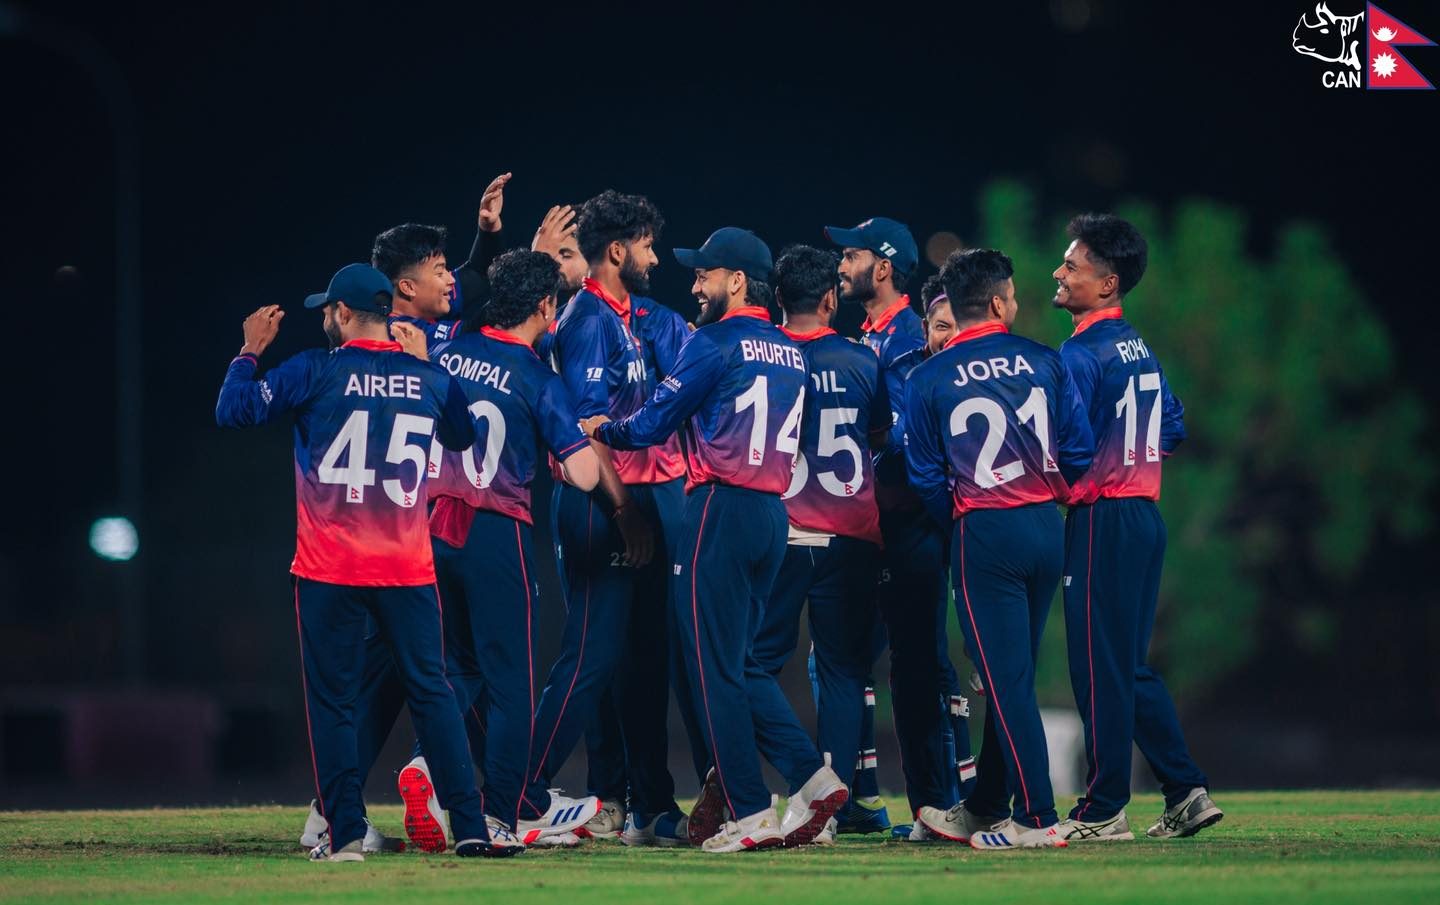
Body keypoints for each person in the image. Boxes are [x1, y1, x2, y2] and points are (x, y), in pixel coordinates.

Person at [215, 263, 520, 861]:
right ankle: (471, 828)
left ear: (344, 313)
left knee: (333, 702)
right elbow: (462, 437)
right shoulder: (426, 378)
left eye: (327, 310)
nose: (325, 319)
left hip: (329, 566)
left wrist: (249, 352)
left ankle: (346, 835)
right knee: (432, 695)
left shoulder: (315, 369)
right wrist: (429, 366)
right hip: (406, 565)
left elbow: (234, 410)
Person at [584, 227, 846, 853]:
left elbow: (652, 423)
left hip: (720, 509)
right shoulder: (791, 351)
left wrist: (603, 429)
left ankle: (750, 812)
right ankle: (812, 778)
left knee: (714, 669)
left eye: (705, 274)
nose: (695, 284)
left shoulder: (711, 342)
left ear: (736, 280)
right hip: (773, 515)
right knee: (742, 662)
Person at [905, 248, 1093, 850]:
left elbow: (925, 477)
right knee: (1011, 675)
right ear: (995, 303)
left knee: (1006, 683)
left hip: (985, 531)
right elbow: (1079, 451)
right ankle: (987, 805)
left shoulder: (928, 377)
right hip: (1044, 527)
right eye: (1011, 294)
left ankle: (1036, 819)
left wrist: (962, 522)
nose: (1015, 301)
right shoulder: (1045, 359)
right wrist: (1047, 493)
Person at [522, 190, 693, 846]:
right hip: (600, 502)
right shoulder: (589, 317)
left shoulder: (632, 318)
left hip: (638, 498)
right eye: (647, 245)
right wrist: (623, 511)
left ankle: (649, 802)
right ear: (619, 250)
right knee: (593, 657)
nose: (655, 257)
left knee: (644, 656)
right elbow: (588, 428)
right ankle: (530, 790)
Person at [1050, 214, 1223, 841]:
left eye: (1072, 266)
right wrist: (1132, 458)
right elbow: (1171, 425)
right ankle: (1185, 790)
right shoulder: (1137, 346)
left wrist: (1060, 484)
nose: (1059, 273)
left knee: (1098, 669)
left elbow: (1067, 449)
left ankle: (1103, 810)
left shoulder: (1079, 353)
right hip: (1144, 516)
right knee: (1127, 665)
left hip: (1103, 518)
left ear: (1108, 283)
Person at [420, 249, 602, 841]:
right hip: (497, 533)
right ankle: (503, 813)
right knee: (511, 686)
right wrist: (577, 440)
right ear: (546, 306)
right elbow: (585, 474)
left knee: (454, 671)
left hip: (433, 528)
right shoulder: (537, 376)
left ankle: (439, 776)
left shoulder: (450, 351)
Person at [749, 244, 886, 846]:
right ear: (831, 297)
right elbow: (880, 434)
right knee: (842, 672)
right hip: (851, 534)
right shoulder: (861, 359)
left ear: (778, 298)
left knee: (749, 664)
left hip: (779, 531)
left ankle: (792, 787)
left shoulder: (764, 356)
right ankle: (825, 806)